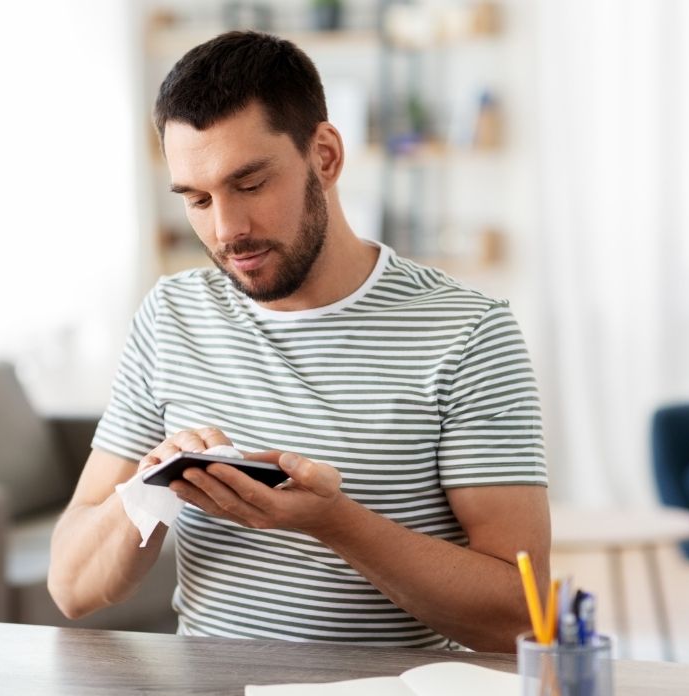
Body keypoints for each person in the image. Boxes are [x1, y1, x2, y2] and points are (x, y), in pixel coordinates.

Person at [47, 30, 549, 652]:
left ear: (327, 156)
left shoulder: (468, 332)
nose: (227, 230)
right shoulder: (172, 314)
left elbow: (518, 614)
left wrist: (335, 524)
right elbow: (71, 587)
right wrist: (152, 488)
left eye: (251, 184)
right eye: (198, 199)